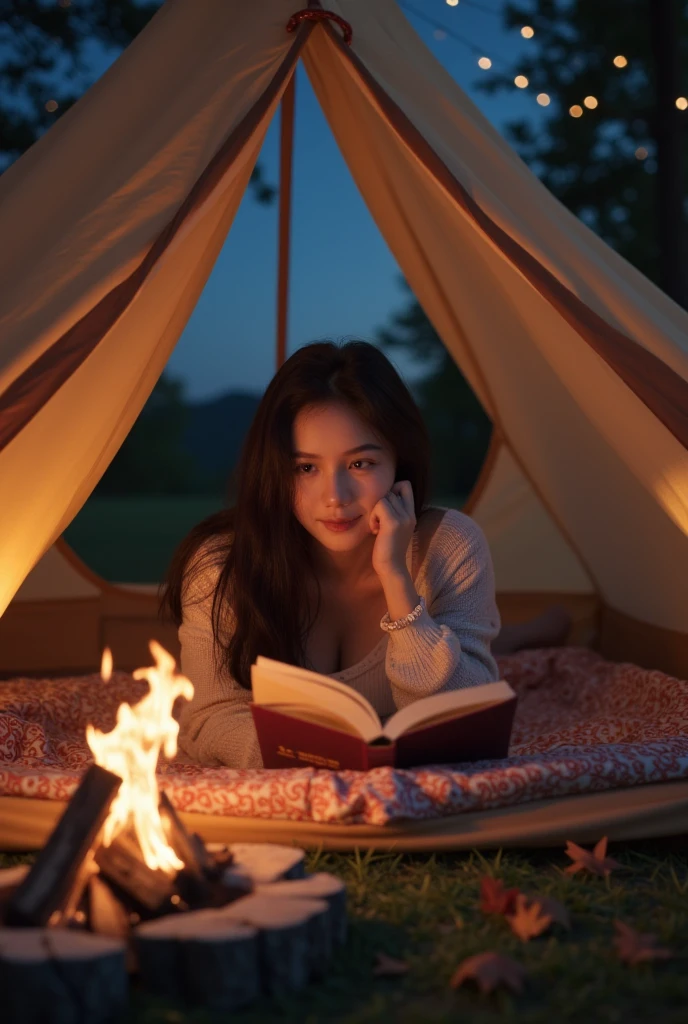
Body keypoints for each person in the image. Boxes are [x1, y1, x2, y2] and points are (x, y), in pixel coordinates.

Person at [162, 340, 570, 769]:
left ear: (399, 462)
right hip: (306, 759)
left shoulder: (451, 545)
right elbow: (209, 716)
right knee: (463, 643)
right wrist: (306, 759)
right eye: (306, 468)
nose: (335, 498)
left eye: (361, 465)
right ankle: (523, 633)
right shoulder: (221, 566)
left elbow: (463, 713)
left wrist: (395, 575)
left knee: (462, 648)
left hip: (418, 591)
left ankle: (532, 631)